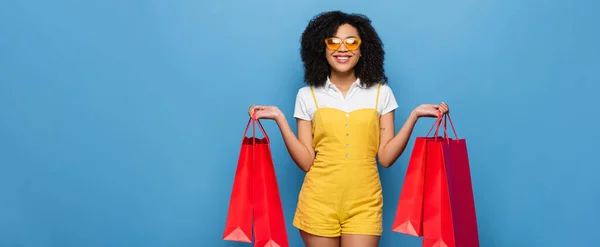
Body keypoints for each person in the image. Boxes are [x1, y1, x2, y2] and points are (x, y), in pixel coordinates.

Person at [247, 10, 449, 247]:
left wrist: (414, 116)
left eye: (351, 41)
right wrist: (280, 119)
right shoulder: (307, 95)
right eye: (333, 41)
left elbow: (385, 157)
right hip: (318, 202)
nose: (342, 48)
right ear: (322, 49)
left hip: (365, 204)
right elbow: (306, 161)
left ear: (363, 49)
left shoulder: (381, 94)